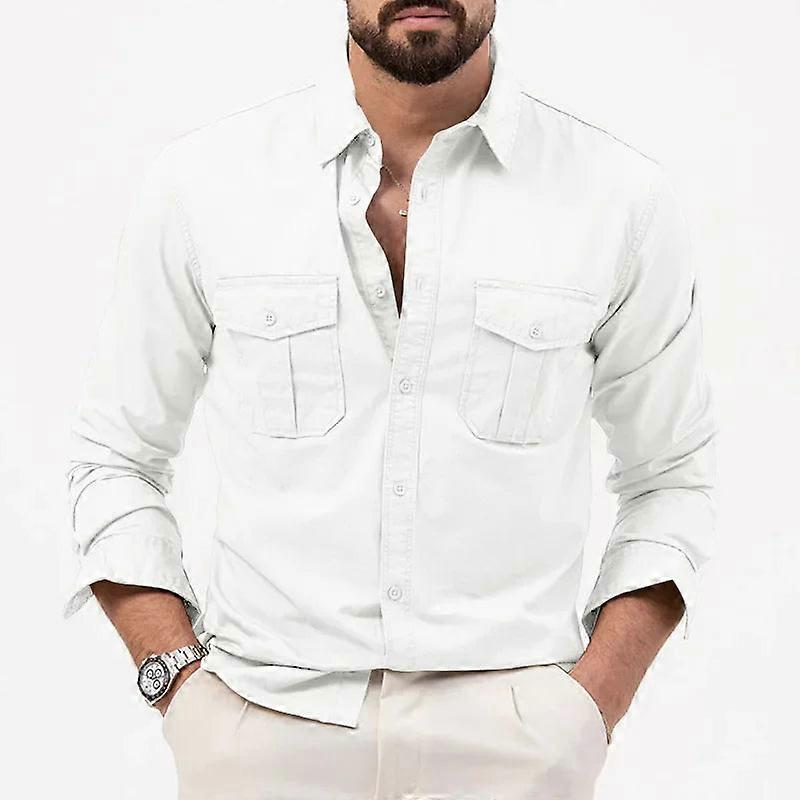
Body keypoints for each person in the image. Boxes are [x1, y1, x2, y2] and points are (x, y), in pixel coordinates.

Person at [62, 2, 718, 798]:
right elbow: (116, 459)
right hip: (259, 732)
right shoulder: (205, 184)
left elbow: (670, 478)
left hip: (515, 744)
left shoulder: (617, 199)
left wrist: (586, 710)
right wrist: (182, 690)